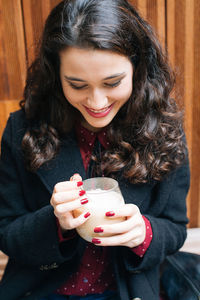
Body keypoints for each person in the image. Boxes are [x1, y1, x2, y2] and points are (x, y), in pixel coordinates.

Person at [0, 0, 190, 299]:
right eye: (77, 85)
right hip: (42, 288)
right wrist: (56, 222)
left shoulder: (163, 128)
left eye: (112, 82)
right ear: (56, 75)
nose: (97, 102)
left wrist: (143, 233)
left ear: (138, 69)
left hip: (127, 287)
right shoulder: (23, 128)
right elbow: (6, 231)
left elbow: (177, 227)